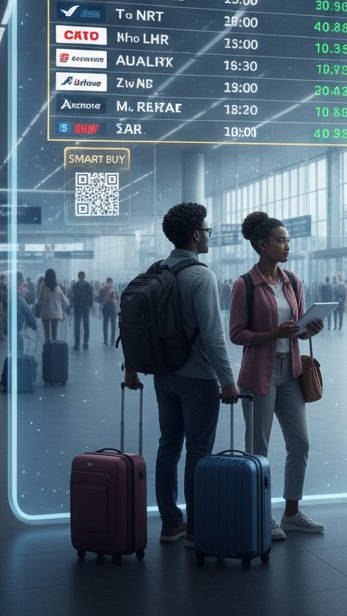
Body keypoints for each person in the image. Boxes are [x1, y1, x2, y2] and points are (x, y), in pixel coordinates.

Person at [124, 202, 238, 547]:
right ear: (194, 235)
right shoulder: (201, 275)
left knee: (168, 446)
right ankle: (196, 526)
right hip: (198, 378)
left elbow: (137, 326)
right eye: (207, 230)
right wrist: (228, 380)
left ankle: (170, 523)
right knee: (199, 451)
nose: (208, 236)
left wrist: (131, 367)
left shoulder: (157, 270)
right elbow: (213, 335)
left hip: (163, 375)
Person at [229, 211, 325, 539]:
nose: (287, 246)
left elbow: (295, 331)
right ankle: (260, 515)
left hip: (292, 371)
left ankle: (292, 512)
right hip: (259, 374)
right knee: (258, 448)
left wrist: (308, 328)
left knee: (301, 443)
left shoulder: (292, 281)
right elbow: (237, 334)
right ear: (261, 245)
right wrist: (273, 333)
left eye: (287, 240)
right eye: (280, 240)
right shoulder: (244, 285)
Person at [38, 268, 69, 343]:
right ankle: (54, 350)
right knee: (55, 335)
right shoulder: (58, 289)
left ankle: (47, 350)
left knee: (47, 335)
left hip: (45, 313)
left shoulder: (43, 287)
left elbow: (40, 302)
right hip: (56, 314)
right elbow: (65, 302)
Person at [71, 271, 94, 351]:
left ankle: (82, 343)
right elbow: (91, 296)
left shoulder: (77, 285)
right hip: (82, 307)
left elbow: (90, 296)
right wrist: (90, 305)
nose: (82, 277)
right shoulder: (85, 285)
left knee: (81, 326)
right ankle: (82, 343)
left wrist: (90, 305)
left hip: (82, 308)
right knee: (82, 326)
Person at [99, 277, 118, 345]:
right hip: (106, 308)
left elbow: (117, 298)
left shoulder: (114, 289)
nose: (109, 283)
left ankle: (112, 340)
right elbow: (100, 298)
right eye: (108, 282)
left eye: (110, 282)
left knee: (113, 325)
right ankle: (106, 340)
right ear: (107, 282)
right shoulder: (103, 289)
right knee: (105, 324)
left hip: (112, 308)